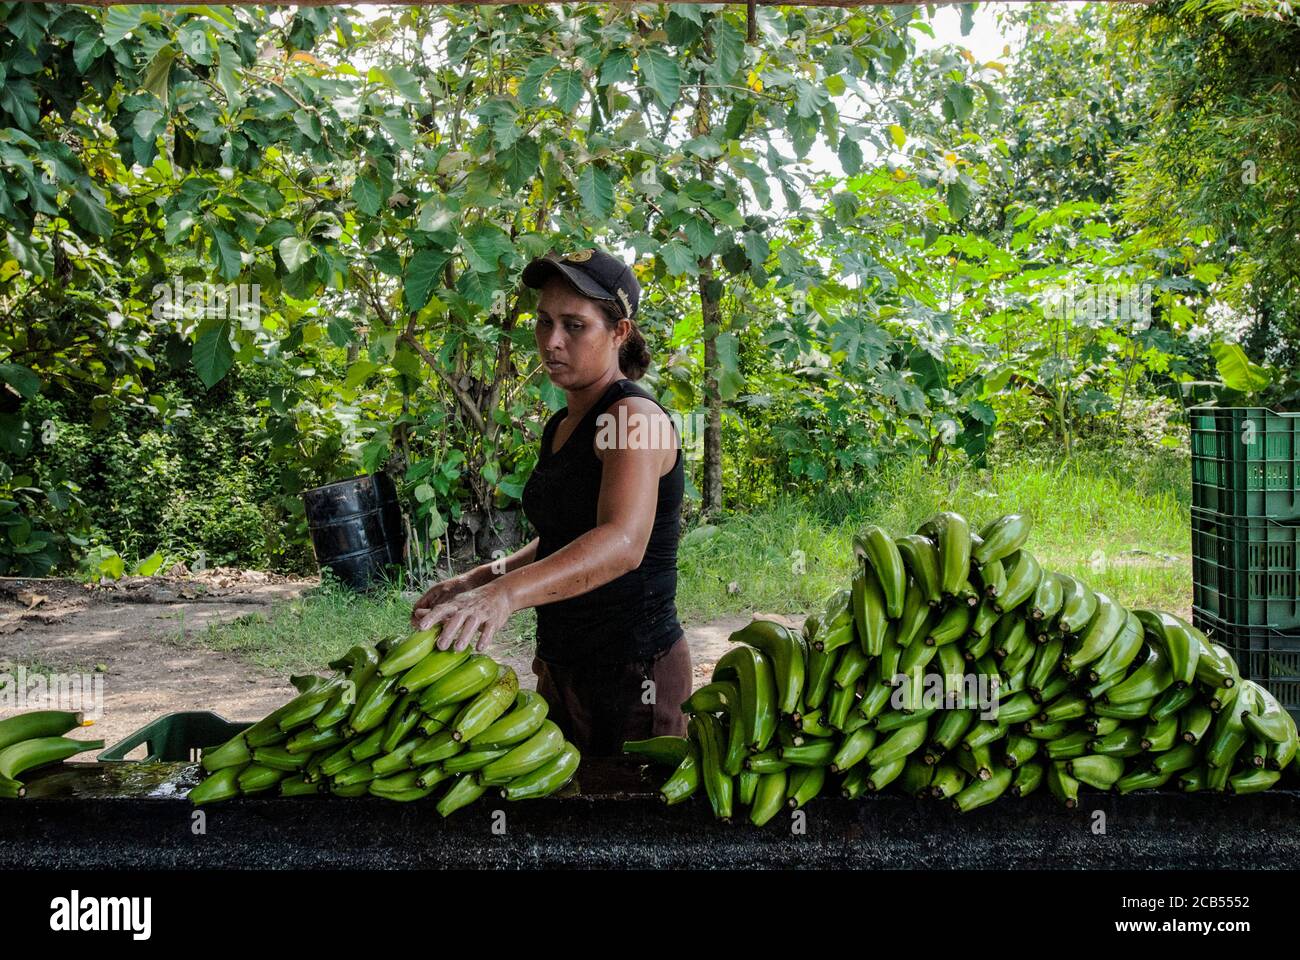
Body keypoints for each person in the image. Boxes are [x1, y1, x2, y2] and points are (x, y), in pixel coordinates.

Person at [410, 246, 691, 757]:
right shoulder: (563, 425)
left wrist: (505, 597)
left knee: (630, 829)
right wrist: (478, 580)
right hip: (564, 665)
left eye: (574, 325)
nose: (552, 342)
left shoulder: (633, 419)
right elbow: (568, 537)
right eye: (543, 322)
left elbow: (622, 542)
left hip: (634, 674)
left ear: (619, 332)